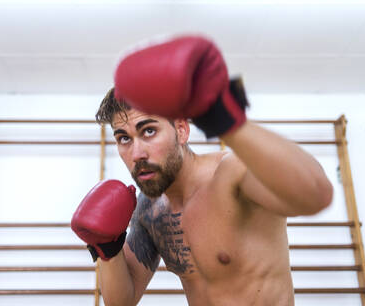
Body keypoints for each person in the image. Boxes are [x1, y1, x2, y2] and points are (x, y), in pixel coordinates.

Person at [71, 35, 333, 306]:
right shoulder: (149, 209)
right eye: (124, 138)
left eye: (149, 131)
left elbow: (316, 193)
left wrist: (228, 121)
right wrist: (108, 249)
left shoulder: (232, 175)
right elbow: (121, 302)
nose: (136, 153)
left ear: (181, 130)